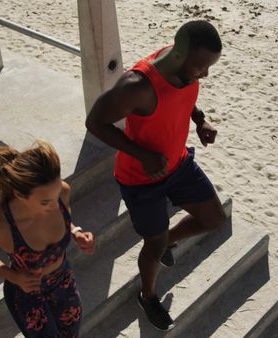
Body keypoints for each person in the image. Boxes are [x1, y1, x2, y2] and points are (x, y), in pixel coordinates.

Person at [85, 20, 226, 331]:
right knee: (153, 243)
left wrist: (199, 120)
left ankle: (167, 243)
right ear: (179, 56)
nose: (205, 74)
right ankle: (147, 296)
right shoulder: (137, 85)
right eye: (202, 67)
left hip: (178, 165)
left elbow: (184, 93)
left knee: (215, 219)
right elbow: (95, 122)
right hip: (140, 179)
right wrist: (142, 155)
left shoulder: (181, 65)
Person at [0, 137, 95, 337]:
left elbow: (64, 218)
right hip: (27, 293)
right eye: (46, 202)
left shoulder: (61, 192)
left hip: (63, 279)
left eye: (56, 196)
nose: (56, 205)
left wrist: (75, 232)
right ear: (21, 195)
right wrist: (14, 277)